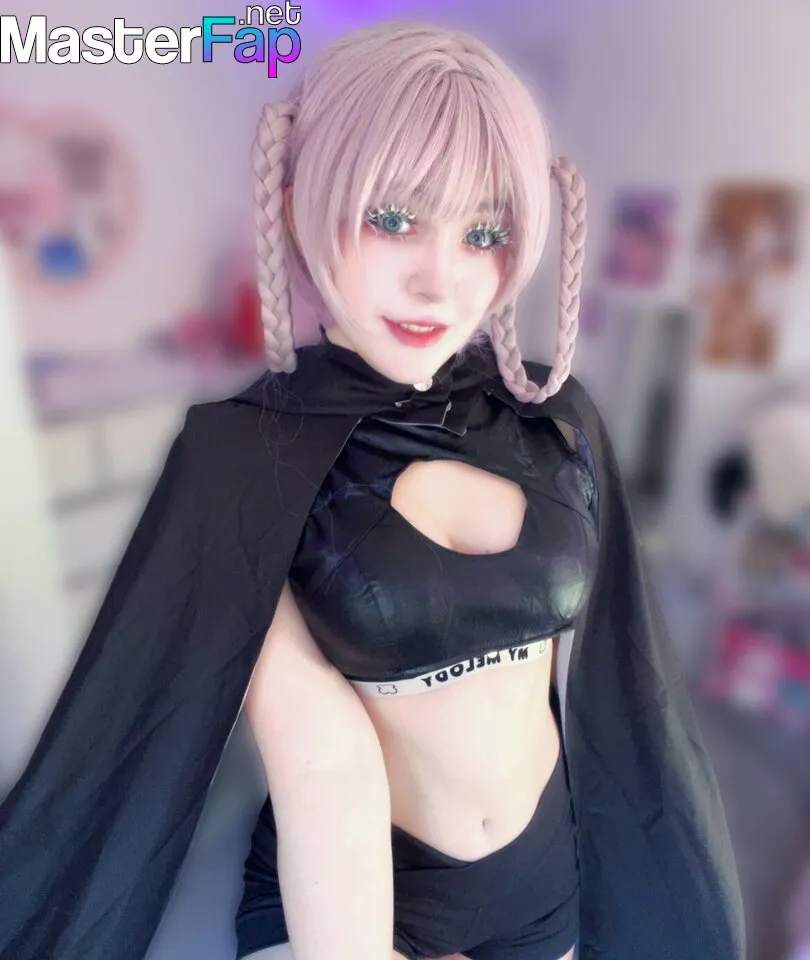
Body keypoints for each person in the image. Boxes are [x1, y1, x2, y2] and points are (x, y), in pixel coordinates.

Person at [0, 21, 744, 960]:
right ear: (301, 207)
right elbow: (323, 759)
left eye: (484, 233)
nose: (440, 279)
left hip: (547, 887)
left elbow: (620, 683)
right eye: (393, 218)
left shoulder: (552, 419)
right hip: (345, 896)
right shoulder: (249, 455)